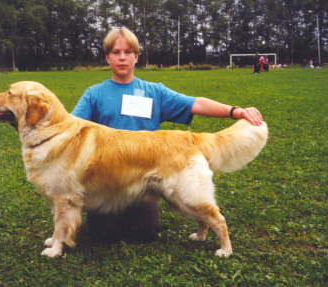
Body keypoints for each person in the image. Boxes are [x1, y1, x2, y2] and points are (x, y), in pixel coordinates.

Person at [72, 27, 263, 243]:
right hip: (107, 181)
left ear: (136, 56)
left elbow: (195, 103)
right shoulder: (94, 94)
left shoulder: (155, 91)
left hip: (146, 175)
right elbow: (70, 129)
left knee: (143, 235)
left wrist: (236, 111)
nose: (122, 57)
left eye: (128, 52)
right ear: (107, 57)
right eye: (116, 52)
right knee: (102, 237)